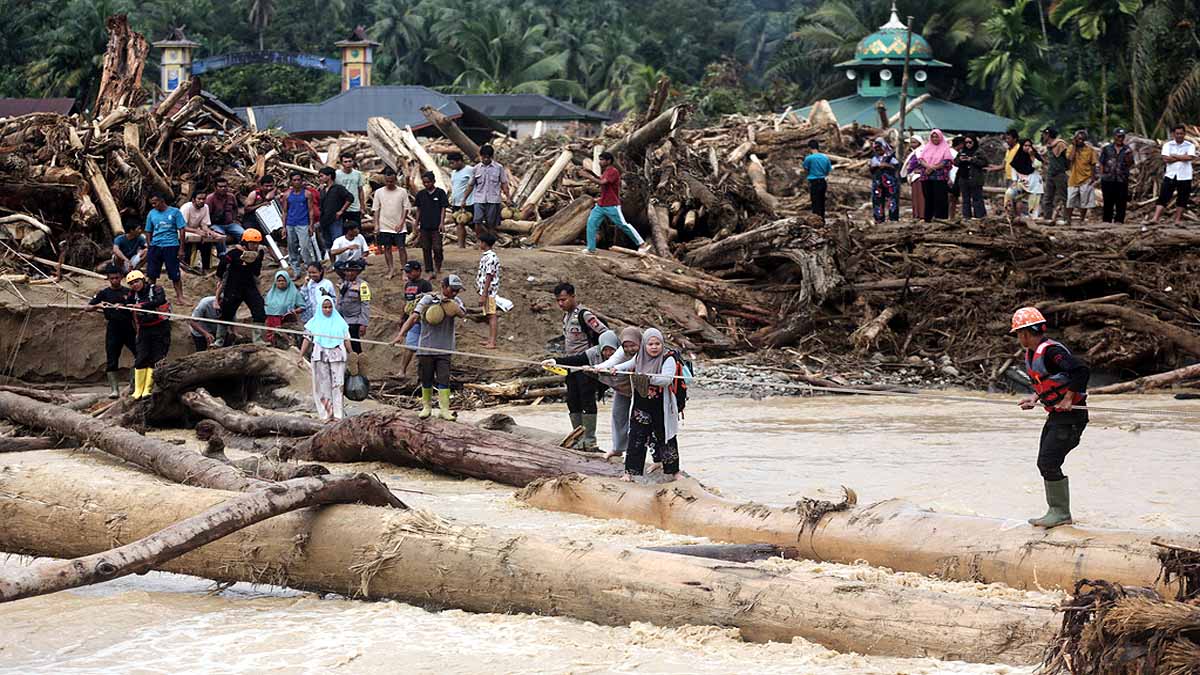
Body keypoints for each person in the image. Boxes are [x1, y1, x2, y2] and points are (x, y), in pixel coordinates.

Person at [1011, 307, 1090, 529]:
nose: (1018, 338)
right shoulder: (1034, 353)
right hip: (1056, 417)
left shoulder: (1052, 353)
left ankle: (1061, 514)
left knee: (1048, 462)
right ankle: (1057, 512)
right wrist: (1035, 398)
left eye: (1018, 333)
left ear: (1026, 333)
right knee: (1044, 462)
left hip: (1071, 417)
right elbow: (1048, 381)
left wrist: (1068, 398)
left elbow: (1081, 371)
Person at [611, 328, 681, 482]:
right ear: (644, 345)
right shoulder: (639, 357)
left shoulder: (668, 358)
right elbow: (626, 365)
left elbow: (666, 379)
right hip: (640, 407)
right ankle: (629, 472)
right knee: (636, 438)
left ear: (662, 344)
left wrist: (646, 378)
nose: (654, 347)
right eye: (650, 344)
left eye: (657, 344)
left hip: (661, 407)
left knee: (666, 439)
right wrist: (615, 369)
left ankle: (674, 472)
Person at [393, 275, 466, 420]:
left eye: (457, 291)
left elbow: (462, 313)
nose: (455, 293)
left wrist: (449, 303)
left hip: (444, 348)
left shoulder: (456, 301)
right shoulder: (427, 299)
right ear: (443, 286)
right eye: (453, 289)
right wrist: (401, 334)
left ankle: (444, 409)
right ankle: (427, 407)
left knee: (443, 378)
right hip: (426, 347)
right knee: (426, 378)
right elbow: (413, 317)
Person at [553, 282, 609, 450]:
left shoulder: (584, 315)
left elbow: (606, 334)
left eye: (563, 299)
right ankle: (577, 437)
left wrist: (596, 355)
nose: (561, 303)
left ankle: (590, 440)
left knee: (587, 400)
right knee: (572, 401)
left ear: (573, 297)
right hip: (571, 365)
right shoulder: (566, 317)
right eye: (558, 301)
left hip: (586, 366)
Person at [579, 151, 649, 254]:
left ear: (609, 161)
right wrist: (589, 173)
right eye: (600, 160)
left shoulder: (613, 171)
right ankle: (591, 248)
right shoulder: (606, 171)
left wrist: (588, 176)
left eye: (602, 160)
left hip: (612, 205)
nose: (600, 162)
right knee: (591, 223)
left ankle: (642, 244)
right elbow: (601, 180)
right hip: (601, 205)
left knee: (623, 225)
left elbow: (602, 182)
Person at [84, 264, 136, 398]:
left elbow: (136, 307)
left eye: (117, 278)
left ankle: (133, 385)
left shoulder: (128, 292)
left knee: (139, 355)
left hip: (128, 327)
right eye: (112, 278)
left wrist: (125, 306)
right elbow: (87, 308)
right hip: (113, 328)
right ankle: (114, 390)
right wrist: (98, 305)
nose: (115, 280)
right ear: (108, 279)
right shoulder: (104, 293)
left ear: (121, 277)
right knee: (112, 359)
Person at [301, 296, 352, 422]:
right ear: (320, 308)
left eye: (330, 307)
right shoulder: (314, 322)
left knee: (338, 385)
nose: (328, 310)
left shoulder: (340, 322)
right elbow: (307, 339)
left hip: (338, 355)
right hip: (320, 355)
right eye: (325, 307)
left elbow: (346, 339)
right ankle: (326, 414)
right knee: (322, 385)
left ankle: (338, 415)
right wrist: (300, 355)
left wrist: (352, 354)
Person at [213, 228, 267, 346]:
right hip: (233, 287)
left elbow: (256, 273)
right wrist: (219, 278)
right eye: (252, 243)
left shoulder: (259, 254)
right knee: (226, 312)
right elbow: (222, 265)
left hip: (249, 286)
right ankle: (219, 339)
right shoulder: (234, 253)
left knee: (259, 310)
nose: (255, 246)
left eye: (257, 243)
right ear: (245, 242)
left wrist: (254, 260)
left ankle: (258, 339)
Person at [124, 270, 171, 400]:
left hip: (160, 328)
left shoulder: (156, 289)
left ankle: (148, 389)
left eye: (137, 281)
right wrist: (120, 305)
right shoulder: (132, 294)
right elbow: (127, 304)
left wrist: (143, 305)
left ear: (143, 280)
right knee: (141, 358)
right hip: (145, 329)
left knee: (156, 358)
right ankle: (138, 389)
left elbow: (160, 300)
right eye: (131, 283)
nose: (135, 285)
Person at [144, 192, 187, 304]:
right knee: (152, 273)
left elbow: (182, 230)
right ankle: (150, 295)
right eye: (152, 204)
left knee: (174, 274)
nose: (154, 205)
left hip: (171, 245)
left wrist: (181, 248)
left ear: (162, 200)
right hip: (156, 246)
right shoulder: (151, 213)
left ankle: (180, 297)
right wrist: (150, 245)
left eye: (155, 203)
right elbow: (148, 230)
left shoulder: (175, 212)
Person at [1151, 124, 1196, 225]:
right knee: (1163, 196)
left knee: (1183, 198)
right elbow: (1166, 159)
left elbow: (1190, 157)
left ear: (1184, 134)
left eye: (1181, 133)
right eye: (1177, 133)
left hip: (1185, 175)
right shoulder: (1168, 145)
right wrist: (1182, 157)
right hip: (1171, 175)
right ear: (1173, 134)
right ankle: (1155, 218)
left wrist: (1174, 156)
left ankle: (1177, 220)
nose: (1179, 135)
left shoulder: (1190, 145)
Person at [464, 144, 510, 237]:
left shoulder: (499, 168)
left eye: (488, 158)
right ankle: (480, 241)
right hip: (479, 199)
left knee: (491, 223)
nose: (485, 160)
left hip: (493, 200)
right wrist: (464, 199)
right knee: (477, 221)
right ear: (480, 156)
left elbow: (504, 183)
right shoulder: (476, 168)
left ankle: (490, 243)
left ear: (492, 157)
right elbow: (470, 185)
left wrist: (508, 198)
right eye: (483, 157)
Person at [372, 166, 410, 278]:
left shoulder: (402, 192)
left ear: (395, 180)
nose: (389, 183)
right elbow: (376, 209)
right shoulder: (379, 192)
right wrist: (376, 224)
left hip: (399, 225)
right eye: (387, 181)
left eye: (392, 181)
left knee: (401, 247)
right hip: (384, 225)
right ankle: (391, 269)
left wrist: (401, 223)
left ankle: (404, 270)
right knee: (387, 247)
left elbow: (406, 208)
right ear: (385, 180)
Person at [281, 172, 319, 278]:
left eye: (298, 180)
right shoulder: (287, 195)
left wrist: (311, 225)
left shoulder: (307, 194)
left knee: (305, 247)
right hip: (290, 224)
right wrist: (284, 227)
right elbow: (284, 211)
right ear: (291, 181)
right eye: (294, 180)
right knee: (292, 247)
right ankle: (296, 270)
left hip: (303, 223)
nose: (297, 182)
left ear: (302, 181)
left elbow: (311, 210)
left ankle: (309, 268)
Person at [398, 260, 432, 377]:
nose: (408, 274)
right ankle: (402, 370)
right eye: (406, 272)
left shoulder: (425, 284)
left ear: (418, 271)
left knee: (423, 347)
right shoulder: (408, 285)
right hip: (411, 320)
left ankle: (422, 372)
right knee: (409, 346)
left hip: (422, 320)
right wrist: (403, 317)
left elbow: (428, 302)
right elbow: (406, 302)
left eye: (410, 272)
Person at [180, 189, 225, 276]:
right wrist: (197, 231)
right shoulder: (186, 208)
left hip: (195, 231)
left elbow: (204, 225)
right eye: (199, 199)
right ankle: (186, 267)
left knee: (207, 242)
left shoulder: (205, 207)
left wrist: (210, 232)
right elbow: (182, 226)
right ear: (193, 200)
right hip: (183, 231)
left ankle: (206, 268)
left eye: (203, 199)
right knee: (189, 244)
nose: (202, 201)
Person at [414, 171, 449, 279]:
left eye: (428, 182)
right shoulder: (421, 194)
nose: (426, 184)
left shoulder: (440, 193)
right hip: (424, 225)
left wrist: (442, 223)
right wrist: (416, 223)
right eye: (424, 182)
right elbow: (418, 209)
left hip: (436, 226)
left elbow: (443, 208)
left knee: (437, 247)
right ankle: (429, 269)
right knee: (426, 248)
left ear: (433, 181)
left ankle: (438, 267)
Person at [916, 129, 954, 221]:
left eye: (936, 136)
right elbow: (921, 159)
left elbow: (946, 161)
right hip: (927, 176)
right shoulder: (927, 147)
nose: (934, 138)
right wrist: (928, 166)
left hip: (939, 177)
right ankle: (928, 218)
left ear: (940, 137)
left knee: (940, 197)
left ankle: (940, 217)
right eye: (933, 136)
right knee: (928, 197)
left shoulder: (945, 148)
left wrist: (933, 168)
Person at [1099, 128, 1135, 223]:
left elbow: (1130, 163)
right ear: (1114, 136)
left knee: (1121, 201)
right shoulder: (1107, 149)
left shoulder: (1127, 149)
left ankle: (1119, 220)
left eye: (1122, 137)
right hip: (1108, 179)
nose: (1120, 139)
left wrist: (1129, 156)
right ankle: (1107, 221)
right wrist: (1102, 176)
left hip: (1121, 179)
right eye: (1119, 136)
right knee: (1108, 201)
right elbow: (1102, 163)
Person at [317, 167, 353, 259]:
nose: (320, 178)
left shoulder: (338, 188)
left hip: (335, 219)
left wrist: (341, 211)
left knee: (337, 241)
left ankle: (341, 261)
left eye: (322, 176)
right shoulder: (323, 190)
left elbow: (350, 198)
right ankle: (333, 263)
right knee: (328, 243)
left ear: (329, 176)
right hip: (324, 219)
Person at [1065, 130, 1099, 225]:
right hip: (1073, 178)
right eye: (1078, 138)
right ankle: (1068, 220)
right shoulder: (1071, 148)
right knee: (1070, 200)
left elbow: (1093, 164)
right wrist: (1075, 146)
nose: (1080, 140)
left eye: (1082, 139)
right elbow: (1070, 159)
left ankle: (1082, 219)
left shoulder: (1090, 150)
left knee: (1084, 201)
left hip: (1086, 178)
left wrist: (1093, 178)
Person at [264, 270, 305, 347]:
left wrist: (294, 311)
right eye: (279, 281)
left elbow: (302, 306)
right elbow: (266, 306)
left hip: (286, 321)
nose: (281, 283)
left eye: (283, 280)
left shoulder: (294, 292)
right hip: (272, 320)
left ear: (288, 281)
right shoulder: (271, 293)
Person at [338, 259, 371, 354]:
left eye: (352, 271)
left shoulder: (363, 285)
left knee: (355, 344)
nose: (349, 273)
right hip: (343, 319)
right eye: (347, 271)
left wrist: (363, 323)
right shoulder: (343, 283)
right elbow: (340, 301)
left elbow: (365, 305)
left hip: (355, 320)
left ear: (357, 272)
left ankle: (359, 362)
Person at [476, 232, 501, 349]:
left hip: (489, 292)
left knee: (492, 315)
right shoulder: (487, 256)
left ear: (484, 243)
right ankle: (490, 339)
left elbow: (489, 275)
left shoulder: (491, 258)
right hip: (486, 291)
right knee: (489, 315)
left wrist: (484, 293)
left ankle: (492, 342)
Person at [954, 135, 988, 219]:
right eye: (966, 143)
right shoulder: (962, 151)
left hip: (975, 178)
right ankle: (966, 217)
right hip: (963, 177)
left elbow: (984, 162)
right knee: (965, 200)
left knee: (977, 199)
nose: (968, 144)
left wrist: (971, 159)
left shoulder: (979, 151)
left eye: (970, 142)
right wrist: (960, 160)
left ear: (974, 142)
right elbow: (955, 162)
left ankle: (980, 217)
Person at [1004, 140, 1040, 219]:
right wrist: (1014, 180)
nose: (1027, 148)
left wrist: (1031, 156)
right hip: (1021, 182)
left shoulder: (1035, 156)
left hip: (1034, 183)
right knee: (1010, 193)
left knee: (1033, 201)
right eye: (1025, 146)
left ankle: (1033, 218)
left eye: (1029, 145)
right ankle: (1012, 215)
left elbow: (1037, 165)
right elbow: (1014, 168)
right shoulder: (1019, 156)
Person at [868, 139, 900, 222]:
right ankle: (879, 218)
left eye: (879, 147)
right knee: (877, 200)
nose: (878, 150)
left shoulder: (891, 158)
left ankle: (893, 218)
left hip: (890, 183)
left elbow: (896, 167)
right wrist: (874, 166)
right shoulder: (874, 158)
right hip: (877, 183)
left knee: (892, 200)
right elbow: (871, 170)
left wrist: (887, 165)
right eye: (876, 148)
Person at [1041, 128, 1070, 222]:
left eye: (1044, 134)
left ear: (1048, 135)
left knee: (1064, 197)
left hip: (1060, 174)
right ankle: (1047, 218)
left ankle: (1066, 219)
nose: (1043, 136)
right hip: (1050, 174)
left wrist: (1065, 169)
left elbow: (1068, 158)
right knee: (1048, 197)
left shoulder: (1060, 144)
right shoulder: (1048, 146)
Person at [205, 177, 245, 242]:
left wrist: (234, 219)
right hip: (216, 225)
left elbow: (235, 208)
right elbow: (206, 213)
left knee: (244, 234)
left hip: (230, 224)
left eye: (225, 186)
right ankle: (222, 252)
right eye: (220, 187)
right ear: (215, 188)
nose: (223, 188)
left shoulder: (231, 196)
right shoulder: (210, 198)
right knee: (220, 236)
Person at [448, 152, 474, 248]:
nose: (451, 165)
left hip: (468, 202)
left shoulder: (470, 170)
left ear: (459, 161)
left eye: (452, 163)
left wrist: (465, 199)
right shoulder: (453, 173)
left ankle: (482, 242)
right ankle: (461, 246)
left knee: (473, 224)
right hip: (456, 202)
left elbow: (472, 185)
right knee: (459, 224)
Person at [802, 139, 832, 221]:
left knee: (815, 202)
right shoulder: (825, 158)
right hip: (823, 181)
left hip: (814, 181)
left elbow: (805, 169)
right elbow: (828, 170)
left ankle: (816, 220)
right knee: (822, 201)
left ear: (809, 148)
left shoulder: (809, 158)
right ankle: (822, 219)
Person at [335, 151, 366, 227]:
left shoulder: (358, 174)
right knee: (342, 230)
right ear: (341, 163)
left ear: (353, 162)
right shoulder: (336, 174)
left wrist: (362, 207)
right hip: (341, 206)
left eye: (350, 161)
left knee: (356, 229)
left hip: (355, 207)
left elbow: (360, 191)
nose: (348, 164)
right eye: (345, 162)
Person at [900, 135, 924, 220]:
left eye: (914, 142)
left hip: (919, 176)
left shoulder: (921, 151)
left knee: (920, 196)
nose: (912, 144)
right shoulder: (913, 152)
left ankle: (922, 214)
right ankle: (916, 214)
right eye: (911, 142)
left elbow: (922, 163)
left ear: (919, 143)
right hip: (913, 176)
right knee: (915, 196)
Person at [947, 136, 963, 218]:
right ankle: (949, 216)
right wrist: (948, 178)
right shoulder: (950, 153)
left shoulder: (957, 153)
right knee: (951, 198)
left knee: (954, 199)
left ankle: (952, 216)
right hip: (951, 178)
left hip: (956, 178)